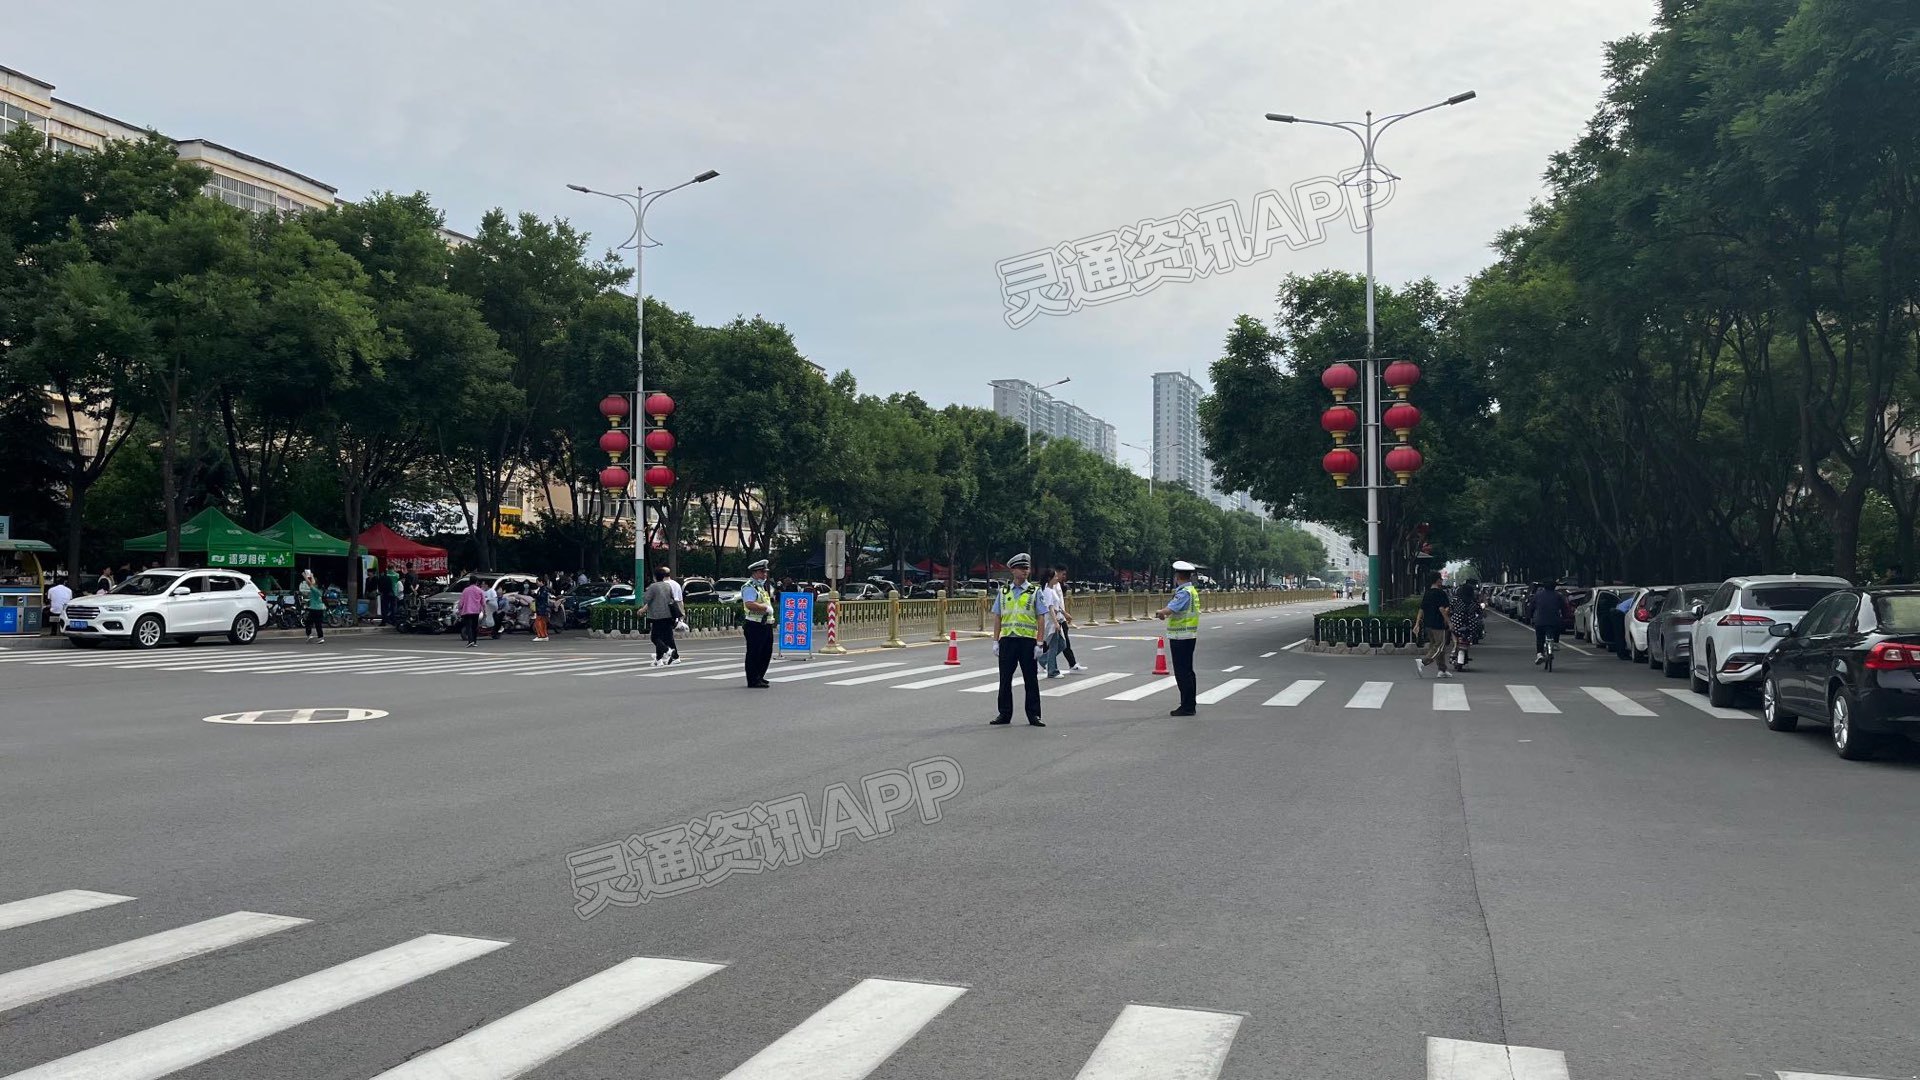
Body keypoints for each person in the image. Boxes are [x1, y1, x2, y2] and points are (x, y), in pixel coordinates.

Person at [990, 552, 1046, 726]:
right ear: (1013, 570)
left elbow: (1041, 617)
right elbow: (998, 616)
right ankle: (1004, 714)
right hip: (1007, 640)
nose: (1025, 571)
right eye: (1022, 568)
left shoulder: (1034, 591)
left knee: (1031, 679)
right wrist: (995, 640)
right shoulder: (1004, 591)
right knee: (1005, 679)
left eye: (1027, 568)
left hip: (1027, 641)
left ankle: (1034, 714)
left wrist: (1039, 642)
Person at [1154, 560, 1203, 716]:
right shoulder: (1192, 591)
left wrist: (1161, 612)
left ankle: (1187, 706)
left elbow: (1171, 608)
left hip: (1180, 636)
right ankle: (1189, 704)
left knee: (1182, 672)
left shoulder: (1183, 592)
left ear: (1177, 576)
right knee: (1188, 671)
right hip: (1189, 635)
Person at [739, 559, 776, 687]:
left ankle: (759, 676)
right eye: (762, 572)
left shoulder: (761, 586)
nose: (765, 574)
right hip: (755, 624)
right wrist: (764, 608)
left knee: (766, 652)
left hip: (765, 624)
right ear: (755, 573)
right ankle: (753, 679)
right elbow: (749, 604)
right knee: (755, 652)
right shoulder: (749, 587)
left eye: (765, 572)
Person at [1413, 573, 1452, 678]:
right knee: (1439, 646)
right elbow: (1442, 609)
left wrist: (1417, 624)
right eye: (1441, 579)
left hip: (1428, 624)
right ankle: (1423, 662)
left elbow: (1421, 609)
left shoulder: (1427, 593)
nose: (1442, 581)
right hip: (1438, 624)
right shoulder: (1440, 593)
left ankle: (1442, 670)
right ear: (1437, 580)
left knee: (1436, 647)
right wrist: (1449, 622)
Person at [644, 566, 684, 666]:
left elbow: (646, 599)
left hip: (657, 616)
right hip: (668, 615)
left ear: (655, 577)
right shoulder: (668, 586)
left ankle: (668, 651)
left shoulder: (653, 586)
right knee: (667, 637)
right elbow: (673, 599)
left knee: (655, 637)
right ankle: (659, 659)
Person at [1053, 565, 1086, 672]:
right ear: (1057, 572)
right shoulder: (1052, 585)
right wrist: (1065, 613)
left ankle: (1072, 664)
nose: (1064, 576)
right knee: (1056, 643)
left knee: (1063, 642)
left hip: (1060, 618)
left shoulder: (1058, 584)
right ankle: (1043, 661)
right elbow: (1054, 604)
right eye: (1063, 574)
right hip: (1055, 619)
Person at [1529, 580, 1570, 664]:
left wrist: (1529, 617)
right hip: (1554, 621)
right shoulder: (1558, 596)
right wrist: (1565, 617)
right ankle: (1555, 642)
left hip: (1540, 621)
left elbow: (1531, 607)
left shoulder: (1538, 595)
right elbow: (1564, 608)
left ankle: (1540, 654)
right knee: (1556, 629)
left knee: (1540, 638)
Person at [1037, 568, 1068, 679]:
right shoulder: (1047, 591)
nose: (1057, 578)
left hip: (1057, 619)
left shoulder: (1051, 590)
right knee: (1054, 646)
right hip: (1051, 622)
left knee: (1062, 645)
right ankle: (1052, 670)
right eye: (1055, 576)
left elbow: (1057, 606)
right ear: (1050, 578)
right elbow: (1050, 608)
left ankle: (1042, 660)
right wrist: (1055, 623)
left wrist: (1065, 614)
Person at [1449, 578, 1482, 670]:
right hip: (1470, 623)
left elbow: (1450, 610)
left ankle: (1455, 646)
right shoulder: (1473, 601)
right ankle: (1465, 645)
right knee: (1470, 636)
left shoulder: (1455, 600)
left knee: (1453, 632)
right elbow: (1479, 611)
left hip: (1457, 622)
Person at [298, 569, 328, 644]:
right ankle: (320, 637)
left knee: (308, 622)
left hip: (314, 609)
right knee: (318, 624)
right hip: (320, 609)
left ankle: (310, 635)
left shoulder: (315, 590)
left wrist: (305, 576)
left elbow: (309, 583)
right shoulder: (319, 590)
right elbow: (312, 583)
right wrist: (311, 575)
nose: (313, 582)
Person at [457, 578, 485, 648]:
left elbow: (461, 601)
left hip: (467, 611)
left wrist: (459, 608)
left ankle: (470, 641)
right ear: (476, 582)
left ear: (470, 582)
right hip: (476, 611)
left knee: (468, 626)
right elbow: (483, 602)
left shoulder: (465, 590)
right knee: (474, 626)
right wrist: (484, 610)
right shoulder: (480, 590)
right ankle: (474, 641)